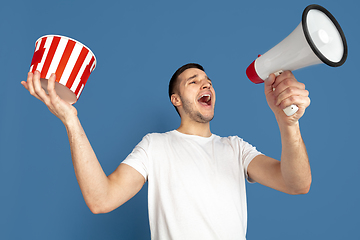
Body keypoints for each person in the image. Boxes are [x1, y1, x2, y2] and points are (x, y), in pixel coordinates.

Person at [21, 63, 311, 240]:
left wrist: (288, 123)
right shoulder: (155, 146)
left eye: (207, 80)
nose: (205, 83)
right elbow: (101, 199)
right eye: (193, 81)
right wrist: (71, 121)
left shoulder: (236, 148)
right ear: (176, 99)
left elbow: (297, 184)